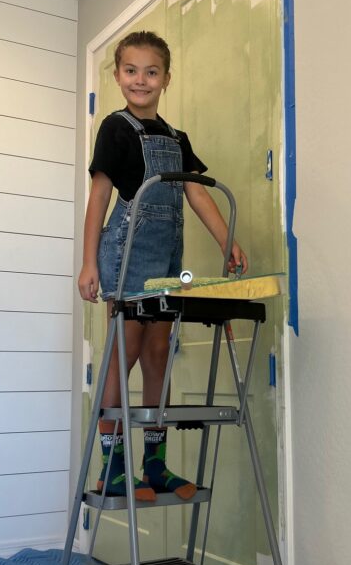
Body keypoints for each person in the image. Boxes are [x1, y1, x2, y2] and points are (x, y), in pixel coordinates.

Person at [79, 30, 248, 501]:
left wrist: (228, 241)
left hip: (167, 260)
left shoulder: (176, 138)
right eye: (131, 71)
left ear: (166, 78)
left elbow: (196, 193)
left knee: (159, 355)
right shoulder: (115, 128)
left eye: (151, 72)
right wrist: (89, 263)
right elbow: (99, 197)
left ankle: (155, 464)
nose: (141, 80)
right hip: (126, 256)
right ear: (118, 76)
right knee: (125, 352)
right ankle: (113, 466)